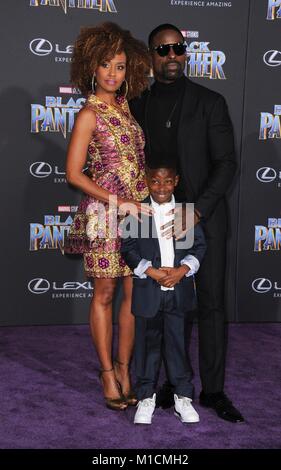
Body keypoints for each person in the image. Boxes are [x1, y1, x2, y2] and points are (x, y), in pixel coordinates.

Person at [129, 23, 244, 422]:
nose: (172, 55)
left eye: (178, 48)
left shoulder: (210, 102)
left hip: (202, 218)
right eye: (163, 50)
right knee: (163, 308)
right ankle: (170, 385)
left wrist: (197, 210)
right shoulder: (137, 103)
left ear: (186, 52)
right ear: (151, 56)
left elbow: (227, 163)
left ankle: (212, 390)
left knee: (209, 304)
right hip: (154, 222)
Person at [65, 22, 151, 410]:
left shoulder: (127, 107)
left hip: (137, 214)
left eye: (119, 65)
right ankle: (106, 373)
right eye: (105, 65)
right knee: (105, 294)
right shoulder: (88, 113)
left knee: (133, 297)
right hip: (105, 215)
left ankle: (124, 367)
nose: (113, 74)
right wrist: (120, 201)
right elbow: (74, 174)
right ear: (92, 68)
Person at [120, 162, 206, 424]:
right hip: (149, 291)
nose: (161, 187)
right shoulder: (135, 213)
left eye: (167, 181)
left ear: (176, 181)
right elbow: (128, 249)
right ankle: (146, 396)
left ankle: (183, 397)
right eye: (155, 181)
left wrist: (182, 270)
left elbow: (200, 247)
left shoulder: (186, 212)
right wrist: (151, 271)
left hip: (178, 291)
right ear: (147, 181)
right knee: (148, 345)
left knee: (177, 344)